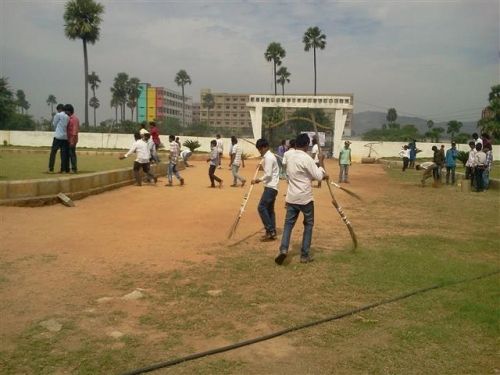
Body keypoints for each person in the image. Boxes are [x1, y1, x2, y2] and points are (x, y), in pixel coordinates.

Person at [275, 133, 326, 265]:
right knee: (308, 225)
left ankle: (284, 249)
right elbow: (319, 176)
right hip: (305, 198)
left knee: (288, 225)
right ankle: (304, 255)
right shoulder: (307, 158)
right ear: (306, 145)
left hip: (292, 197)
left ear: (296, 144)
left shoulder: (289, 156)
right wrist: (321, 162)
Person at [251, 138, 279, 241]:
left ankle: (270, 230)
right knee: (270, 210)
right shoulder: (268, 157)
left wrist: (257, 180)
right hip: (272, 187)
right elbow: (269, 170)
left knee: (261, 207)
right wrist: (261, 166)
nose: (260, 151)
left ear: (265, 147)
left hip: (270, 187)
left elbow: (268, 174)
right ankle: (272, 232)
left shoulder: (269, 158)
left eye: (260, 149)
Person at [48, 104, 69, 173]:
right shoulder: (67, 117)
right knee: (63, 154)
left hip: (58, 136)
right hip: (65, 137)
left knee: (53, 153)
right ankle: (62, 169)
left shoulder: (58, 115)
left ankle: (51, 168)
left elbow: (54, 124)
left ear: (59, 109)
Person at [65, 104, 80, 173]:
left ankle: (74, 168)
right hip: (68, 138)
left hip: (72, 139)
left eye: (66, 111)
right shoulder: (68, 118)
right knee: (67, 154)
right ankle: (67, 168)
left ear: (69, 111)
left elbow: (75, 131)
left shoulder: (74, 119)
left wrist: (72, 141)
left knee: (72, 154)